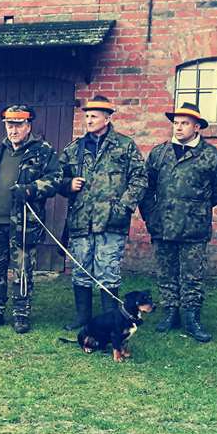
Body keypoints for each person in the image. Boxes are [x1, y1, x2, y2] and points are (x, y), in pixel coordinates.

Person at [139, 102, 217, 342]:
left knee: (192, 274)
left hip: (194, 227)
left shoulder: (211, 155)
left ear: (197, 127)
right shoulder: (160, 153)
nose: (179, 128)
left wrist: (200, 207)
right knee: (166, 271)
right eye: (176, 123)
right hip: (163, 225)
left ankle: (191, 316)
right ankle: (170, 312)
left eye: (185, 123)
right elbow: (146, 187)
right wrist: (151, 215)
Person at [56, 93, 147, 331]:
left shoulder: (125, 146)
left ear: (107, 118)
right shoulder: (74, 149)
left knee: (108, 270)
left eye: (94, 116)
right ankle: (82, 317)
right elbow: (56, 176)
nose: (89, 120)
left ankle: (111, 320)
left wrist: (123, 207)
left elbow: (140, 178)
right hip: (81, 221)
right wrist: (68, 184)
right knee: (81, 270)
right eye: (87, 116)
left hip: (111, 221)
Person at [0, 104, 59, 333]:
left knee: (22, 271)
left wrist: (31, 189)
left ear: (28, 126)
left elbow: (55, 179)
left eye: (18, 125)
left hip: (24, 224)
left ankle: (21, 314)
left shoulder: (43, 150)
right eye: (10, 125)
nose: (13, 130)